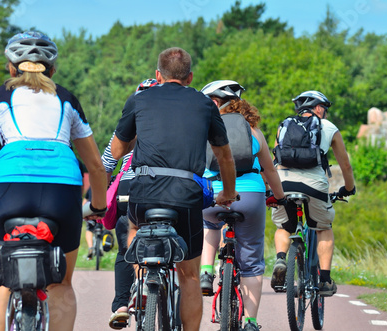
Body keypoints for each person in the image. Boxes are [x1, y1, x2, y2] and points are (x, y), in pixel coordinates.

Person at [0, 31, 107, 331]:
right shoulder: (67, 100)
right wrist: (97, 204)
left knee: (1, 281)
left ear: (10, 67)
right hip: (62, 193)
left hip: (11, 190)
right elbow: (96, 165)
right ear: (52, 69)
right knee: (61, 284)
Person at [110, 47, 238, 331]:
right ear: (190, 77)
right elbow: (225, 157)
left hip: (143, 193)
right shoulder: (205, 104)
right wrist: (228, 193)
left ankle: (142, 280)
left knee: (133, 227)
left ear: (158, 75)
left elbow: (117, 149)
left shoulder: (139, 98)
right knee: (189, 275)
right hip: (185, 196)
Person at [199, 80, 285, 331]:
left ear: (215, 103)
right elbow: (269, 170)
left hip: (213, 194)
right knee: (252, 262)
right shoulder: (253, 132)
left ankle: (206, 271)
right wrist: (279, 197)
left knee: (209, 224)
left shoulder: (204, 128)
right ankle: (250, 321)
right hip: (249, 197)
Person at [268, 90, 356, 297]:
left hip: (284, 183)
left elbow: (274, 161)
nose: (325, 112)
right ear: (318, 108)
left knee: (283, 226)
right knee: (323, 228)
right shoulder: (329, 128)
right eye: (324, 108)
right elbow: (345, 165)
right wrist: (349, 188)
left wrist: (271, 189)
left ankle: (281, 258)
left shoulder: (284, 125)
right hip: (314, 185)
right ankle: (325, 280)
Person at [103, 78, 157, 329]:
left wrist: (98, 200)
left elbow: (106, 163)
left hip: (129, 192)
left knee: (125, 249)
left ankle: (121, 305)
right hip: (166, 191)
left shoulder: (125, 129)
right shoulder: (172, 125)